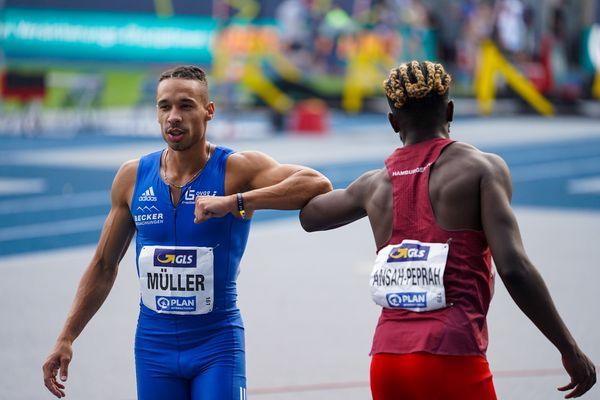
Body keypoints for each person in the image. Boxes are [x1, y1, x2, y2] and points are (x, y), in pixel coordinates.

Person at [299, 60, 596, 400]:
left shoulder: (372, 185)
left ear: (393, 121)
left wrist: (258, 187)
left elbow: (310, 216)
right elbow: (514, 268)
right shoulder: (481, 169)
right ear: (450, 111)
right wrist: (568, 348)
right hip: (452, 357)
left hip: (387, 363)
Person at [42, 65, 332, 400]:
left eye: (185, 105)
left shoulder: (237, 169)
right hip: (153, 348)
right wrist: (66, 337)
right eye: (165, 107)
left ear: (209, 111)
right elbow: (104, 265)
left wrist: (234, 201)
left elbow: (316, 183)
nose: (174, 117)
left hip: (217, 346)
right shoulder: (133, 177)